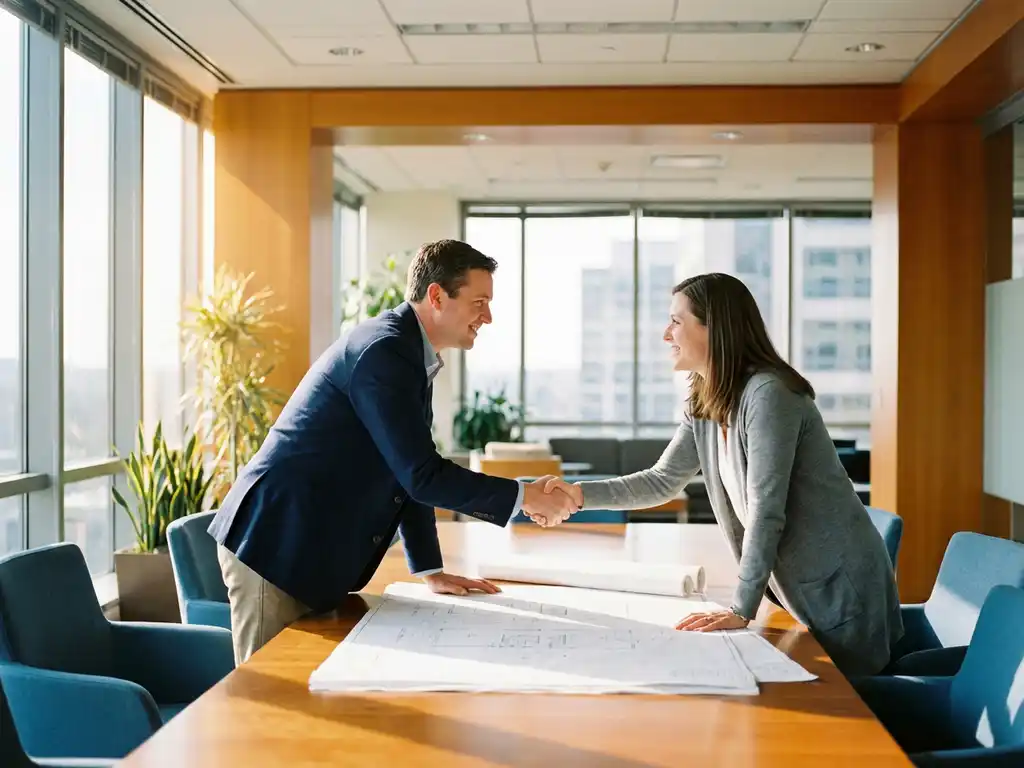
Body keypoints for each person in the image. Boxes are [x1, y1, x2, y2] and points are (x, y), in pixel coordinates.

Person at [208, 239, 576, 664]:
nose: (488, 317)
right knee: (267, 705)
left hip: (309, 546)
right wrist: (524, 496)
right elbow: (422, 474)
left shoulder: (408, 353)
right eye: (479, 301)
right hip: (276, 542)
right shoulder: (384, 351)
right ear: (437, 296)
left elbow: (406, 473)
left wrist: (429, 570)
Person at [544, 273, 904, 676]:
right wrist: (577, 494)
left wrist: (740, 608)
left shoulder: (770, 395)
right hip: (800, 588)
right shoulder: (706, 399)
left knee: (842, 709)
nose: (666, 334)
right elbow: (662, 480)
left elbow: (767, 509)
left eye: (676, 321)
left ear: (713, 328)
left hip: (841, 589)